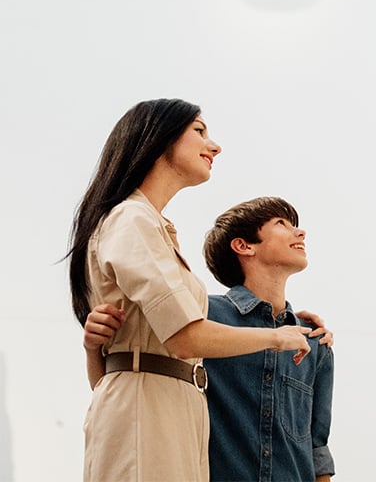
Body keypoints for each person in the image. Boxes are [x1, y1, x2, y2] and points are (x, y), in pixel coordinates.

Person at [67, 98, 316, 482]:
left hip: (173, 408)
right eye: (199, 131)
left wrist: (291, 321)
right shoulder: (132, 219)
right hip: (149, 411)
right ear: (159, 139)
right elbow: (184, 336)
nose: (214, 145)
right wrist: (277, 336)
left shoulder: (153, 226)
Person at [85, 196, 336, 482]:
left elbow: (318, 448)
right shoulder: (199, 319)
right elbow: (123, 382)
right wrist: (93, 348)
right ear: (244, 246)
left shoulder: (314, 341)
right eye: (282, 223)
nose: (300, 232)